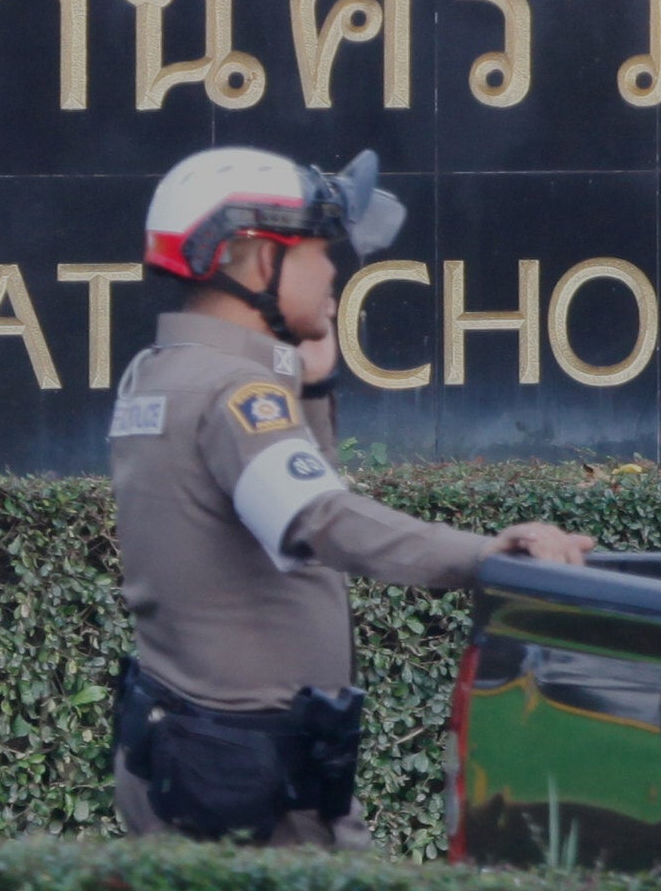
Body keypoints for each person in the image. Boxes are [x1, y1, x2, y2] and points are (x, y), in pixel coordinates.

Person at [105, 147, 596, 845]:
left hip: (199, 752)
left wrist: (309, 390)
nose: (333, 270)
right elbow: (319, 519)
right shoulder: (231, 391)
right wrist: (487, 552)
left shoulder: (159, 375)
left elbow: (282, 511)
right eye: (315, 250)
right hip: (251, 775)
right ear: (252, 256)